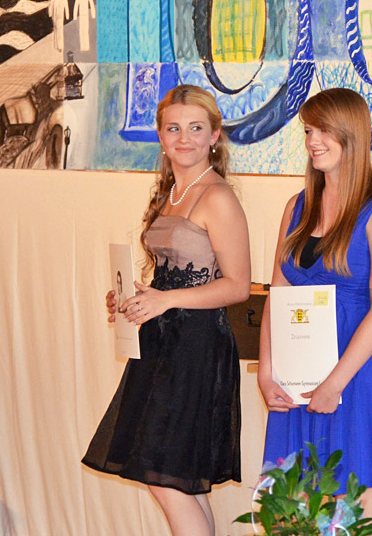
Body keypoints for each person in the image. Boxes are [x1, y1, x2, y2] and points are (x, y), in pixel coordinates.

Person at [82, 84, 251, 536]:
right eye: (174, 128)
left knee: (165, 476)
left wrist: (166, 299)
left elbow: (238, 285)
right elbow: (173, 278)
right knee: (177, 480)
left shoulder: (217, 196)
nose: (184, 138)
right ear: (160, 135)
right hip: (162, 343)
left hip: (196, 347)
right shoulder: (171, 192)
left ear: (214, 135)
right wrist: (135, 299)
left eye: (196, 128)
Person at [258, 88, 372, 522]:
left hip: (355, 377)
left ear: (351, 133)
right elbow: (277, 295)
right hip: (298, 377)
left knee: (353, 510)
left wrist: (335, 383)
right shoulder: (297, 206)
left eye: (323, 130)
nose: (313, 141)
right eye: (308, 130)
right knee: (295, 509)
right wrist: (267, 371)